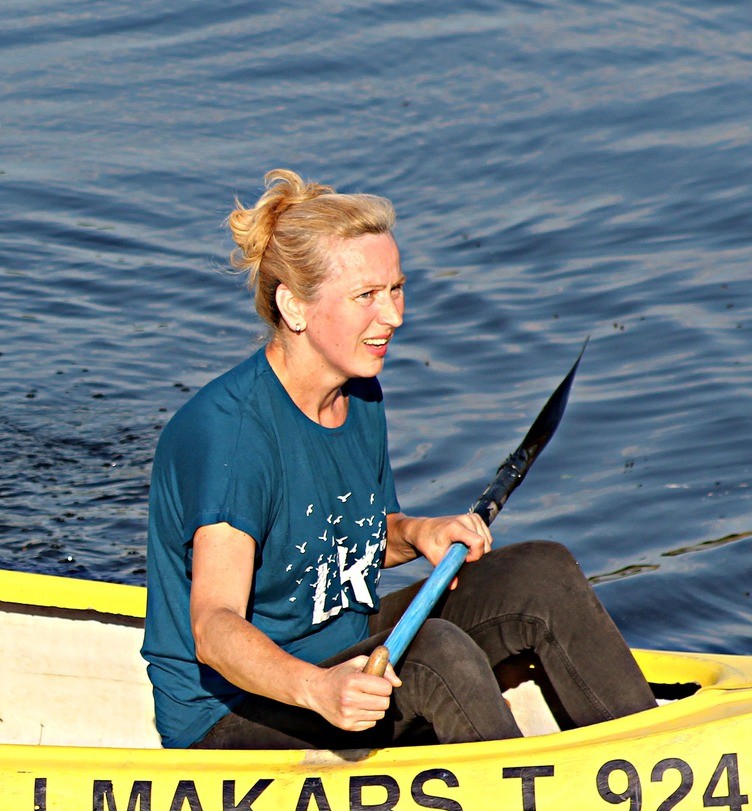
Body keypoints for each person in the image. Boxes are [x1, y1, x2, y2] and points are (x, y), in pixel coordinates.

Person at [139, 169, 655, 750]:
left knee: (541, 573)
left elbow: (347, 539)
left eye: (396, 289)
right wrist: (318, 688)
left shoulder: (357, 392)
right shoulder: (231, 436)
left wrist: (418, 532)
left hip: (344, 650)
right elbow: (214, 626)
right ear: (295, 306)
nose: (394, 317)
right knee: (437, 655)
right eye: (366, 297)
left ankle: (647, 763)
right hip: (237, 711)